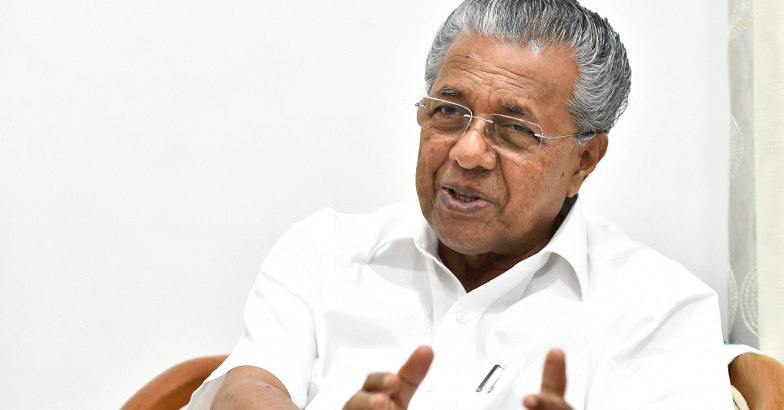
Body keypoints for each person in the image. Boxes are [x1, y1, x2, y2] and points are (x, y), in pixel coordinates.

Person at [189, 0, 784, 409]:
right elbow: (247, 383)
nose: (468, 151)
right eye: (449, 111)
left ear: (584, 160)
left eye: (515, 130)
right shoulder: (325, 252)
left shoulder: (658, 309)